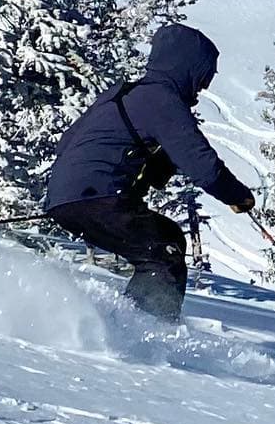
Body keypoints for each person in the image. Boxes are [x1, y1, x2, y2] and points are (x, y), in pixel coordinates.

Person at [45, 23, 255, 320]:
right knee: (163, 251)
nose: (203, 86)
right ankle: (147, 334)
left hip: (65, 198)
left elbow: (68, 143)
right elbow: (203, 166)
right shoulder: (161, 99)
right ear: (187, 67)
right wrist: (238, 196)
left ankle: (126, 326)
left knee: (165, 238)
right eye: (203, 76)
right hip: (96, 196)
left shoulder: (122, 94)